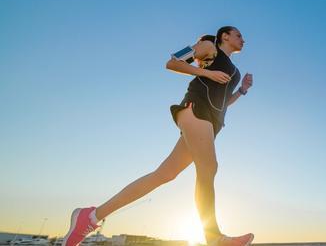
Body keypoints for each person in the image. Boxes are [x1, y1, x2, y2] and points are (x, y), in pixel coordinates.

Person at [61, 26, 254, 246]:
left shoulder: (234, 71)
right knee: (209, 168)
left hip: (211, 121)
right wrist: (206, 72)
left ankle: (90, 217)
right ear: (225, 36)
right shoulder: (209, 47)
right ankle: (213, 237)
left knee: (164, 174)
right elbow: (172, 62)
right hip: (195, 110)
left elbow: (223, 104)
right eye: (239, 35)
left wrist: (242, 90)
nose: (243, 39)